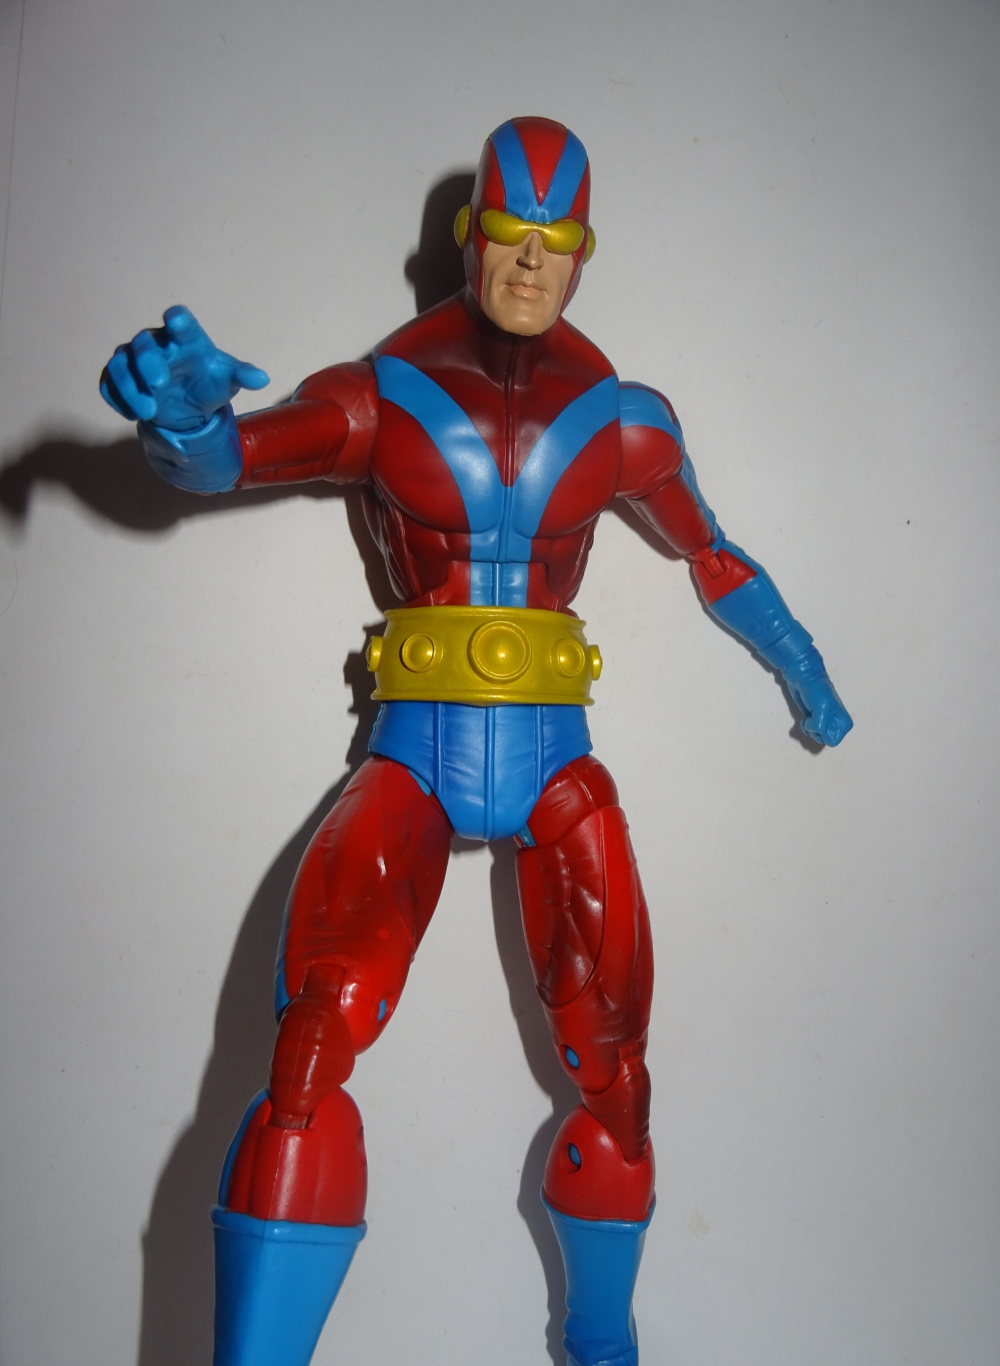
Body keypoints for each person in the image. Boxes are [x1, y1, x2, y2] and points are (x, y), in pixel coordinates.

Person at [101, 116, 852, 1366]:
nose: (530, 261)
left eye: (556, 240)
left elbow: (711, 554)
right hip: (415, 757)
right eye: (509, 232)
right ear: (470, 234)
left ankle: (600, 1340)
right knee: (307, 1055)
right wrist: (185, 430)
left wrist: (804, 669)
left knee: (617, 1081)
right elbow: (233, 460)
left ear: (585, 249)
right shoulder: (383, 393)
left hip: (556, 763)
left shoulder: (623, 418)